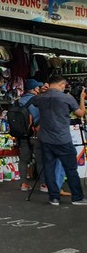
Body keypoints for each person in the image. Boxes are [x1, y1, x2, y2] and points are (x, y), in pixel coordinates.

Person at [30, 74, 87, 205]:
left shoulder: (40, 98)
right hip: (63, 139)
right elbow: (81, 113)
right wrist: (82, 99)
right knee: (71, 169)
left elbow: (33, 100)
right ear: (62, 84)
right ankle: (77, 197)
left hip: (45, 138)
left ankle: (54, 197)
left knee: (49, 168)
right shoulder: (67, 98)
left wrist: (42, 90)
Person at [18, 78, 47, 192]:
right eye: (38, 87)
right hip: (35, 133)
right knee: (40, 159)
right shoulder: (37, 101)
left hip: (22, 134)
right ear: (34, 89)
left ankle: (23, 184)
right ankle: (43, 184)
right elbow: (40, 116)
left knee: (23, 159)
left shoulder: (18, 101)